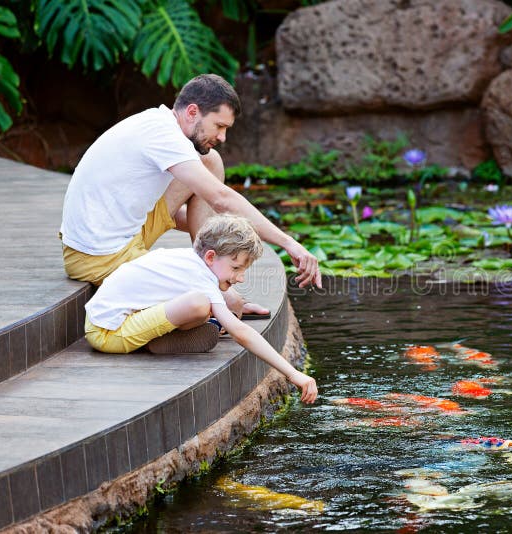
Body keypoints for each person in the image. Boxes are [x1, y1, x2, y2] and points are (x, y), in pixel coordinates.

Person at [59, 73, 321, 317]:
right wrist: (288, 243)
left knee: (210, 161)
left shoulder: (161, 123)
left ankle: (210, 271)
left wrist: (228, 235)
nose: (223, 136)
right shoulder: (163, 136)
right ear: (193, 111)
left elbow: (192, 212)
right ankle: (212, 289)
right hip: (98, 258)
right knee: (202, 302)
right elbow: (221, 198)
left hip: (130, 232)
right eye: (219, 126)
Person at [84, 213, 318, 404]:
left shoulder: (188, 261)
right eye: (236, 268)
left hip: (108, 322)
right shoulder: (200, 278)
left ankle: (167, 337)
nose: (241, 278)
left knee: (216, 302)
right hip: (108, 334)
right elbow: (240, 333)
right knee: (200, 304)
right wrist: (292, 373)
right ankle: (157, 341)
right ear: (210, 257)